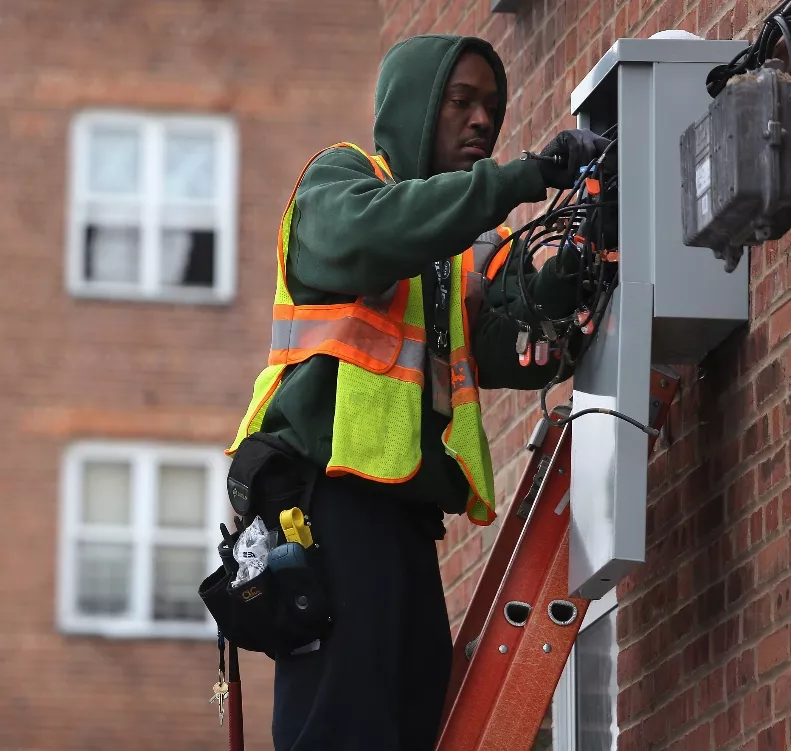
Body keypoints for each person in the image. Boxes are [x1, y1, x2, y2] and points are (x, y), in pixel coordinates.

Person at [226, 33, 610, 751]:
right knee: (345, 720)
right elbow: (378, 233)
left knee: (411, 712)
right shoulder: (338, 185)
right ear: (414, 109)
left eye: (490, 108)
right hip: (327, 499)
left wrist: (562, 290)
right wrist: (523, 177)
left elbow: (503, 348)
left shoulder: (445, 257)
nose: (480, 122)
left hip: (400, 512)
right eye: (460, 102)